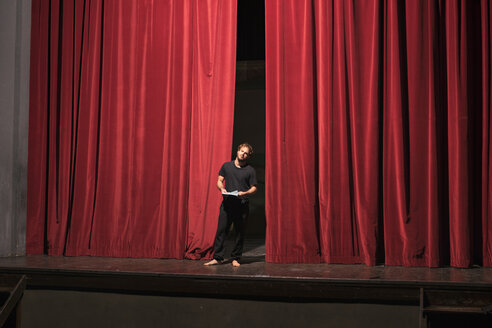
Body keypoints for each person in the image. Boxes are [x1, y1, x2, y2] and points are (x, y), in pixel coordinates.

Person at [204, 143, 257, 267]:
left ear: (248, 156)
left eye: (245, 153)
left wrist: (245, 193)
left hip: (242, 204)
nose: (242, 154)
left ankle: (236, 258)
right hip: (227, 204)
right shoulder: (226, 166)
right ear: (237, 151)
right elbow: (219, 180)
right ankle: (218, 257)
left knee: (239, 232)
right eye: (241, 151)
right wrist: (221, 189)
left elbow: (254, 187)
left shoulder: (250, 170)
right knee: (221, 230)